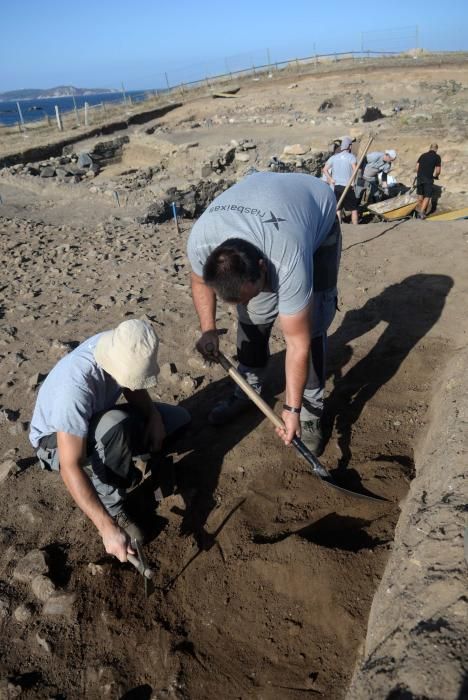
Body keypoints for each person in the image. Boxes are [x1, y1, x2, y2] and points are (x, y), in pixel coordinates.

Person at [187, 171, 341, 456]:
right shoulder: (200, 241)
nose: (254, 297)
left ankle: (311, 411)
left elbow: (297, 343)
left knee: (313, 324)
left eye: (254, 290)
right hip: (264, 209)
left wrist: (292, 409)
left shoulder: (288, 256)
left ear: (262, 268)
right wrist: (208, 329)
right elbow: (199, 281)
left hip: (313, 217)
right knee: (252, 317)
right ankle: (249, 388)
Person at [29, 319, 190, 562]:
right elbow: (70, 464)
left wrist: (154, 417)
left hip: (97, 421)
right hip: (54, 442)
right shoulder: (73, 390)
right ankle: (113, 507)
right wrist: (106, 528)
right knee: (116, 426)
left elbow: (132, 385)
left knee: (179, 420)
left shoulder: (121, 343)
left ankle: (127, 460)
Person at [323, 136, 359, 224]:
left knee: (338, 209)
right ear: (349, 146)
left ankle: (340, 227)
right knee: (354, 209)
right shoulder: (351, 157)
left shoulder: (334, 157)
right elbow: (355, 170)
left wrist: (331, 179)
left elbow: (324, 169)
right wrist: (353, 182)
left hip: (336, 186)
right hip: (347, 186)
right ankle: (356, 227)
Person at [415, 143, 441, 219]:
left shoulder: (422, 155)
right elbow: (438, 170)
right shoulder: (437, 157)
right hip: (428, 179)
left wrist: (420, 174)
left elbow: (416, 167)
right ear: (436, 149)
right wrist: (435, 176)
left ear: (430, 148)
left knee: (420, 196)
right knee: (427, 196)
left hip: (419, 178)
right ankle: (421, 213)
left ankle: (419, 212)